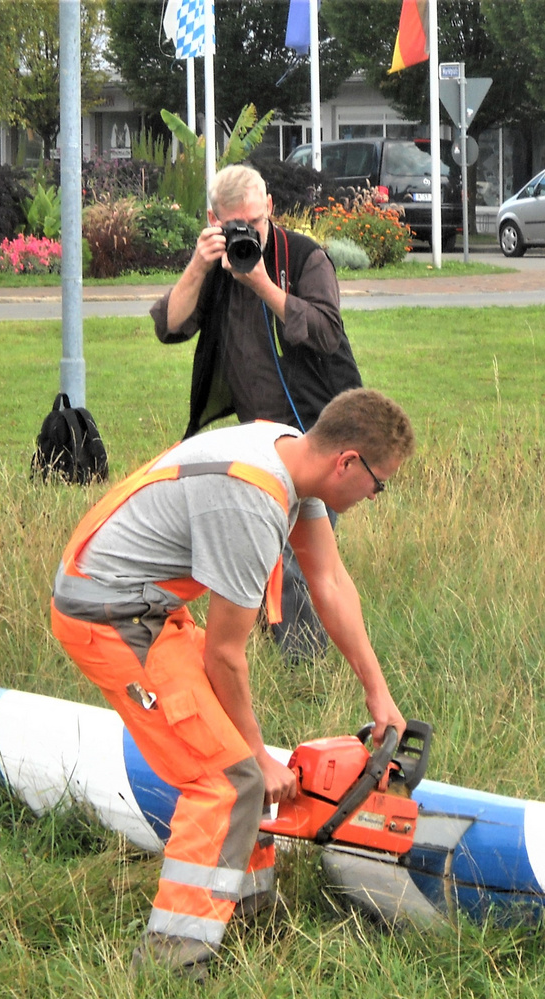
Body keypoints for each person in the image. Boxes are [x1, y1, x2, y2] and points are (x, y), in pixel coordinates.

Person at [51, 388, 414, 978]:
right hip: (108, 615)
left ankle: (246, 920)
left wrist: (378, 692)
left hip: (152, 609)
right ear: (346, 461)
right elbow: (225, 655)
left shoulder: (294, 461)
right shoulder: (252, 499)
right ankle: (171, 967)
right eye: (380, 484)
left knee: (247, 771)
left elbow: (328, 580)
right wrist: (252, 752)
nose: (376, 496)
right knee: (225, 778)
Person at [150, 163, 363, 662]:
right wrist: (199, 266)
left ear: (270, 207)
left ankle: (305, 662)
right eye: (235, 225)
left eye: (257, 222)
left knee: (303, 555)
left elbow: (327, 331)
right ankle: (296, 657)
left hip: (318, 428)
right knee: (272, 549)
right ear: (213, 220)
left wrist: (264, 284)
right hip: (258, 437)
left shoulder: (305, 257)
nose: (250, 233)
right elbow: (169, 325)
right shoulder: (217, 268)